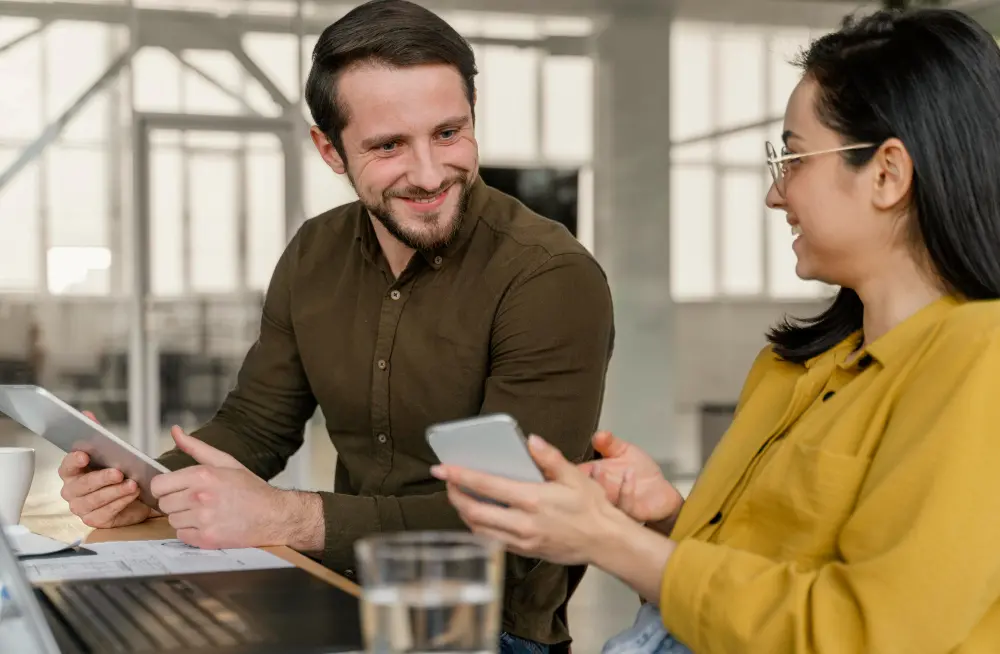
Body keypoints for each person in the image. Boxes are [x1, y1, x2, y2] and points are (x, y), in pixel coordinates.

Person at [433, 8, 1000, 653]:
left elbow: (868, 633)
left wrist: (607, 541)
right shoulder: (795, 367)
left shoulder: (982, 359)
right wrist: (669, 518)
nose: (774, 194)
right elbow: (747, 590)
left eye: (794, 157)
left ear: (887, 174)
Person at [54, 1, 615, 652]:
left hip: (487, 625)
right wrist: (144, 485)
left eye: (447, 133)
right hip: (330, 588)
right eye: (388, 146)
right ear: (330, 149)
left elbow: (515, 519)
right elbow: (254, 427)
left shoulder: (549, 277)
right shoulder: (315, 253)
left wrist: (285, 516)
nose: (430, 174)